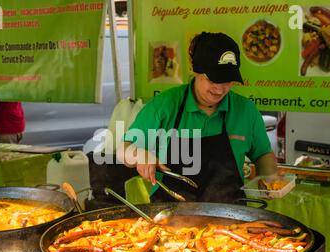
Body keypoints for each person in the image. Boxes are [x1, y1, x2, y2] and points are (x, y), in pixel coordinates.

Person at [117, 32, 277, 203]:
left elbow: (262, 153)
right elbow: (123, 150)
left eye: (228, 81)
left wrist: (270, 178)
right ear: (196, 71)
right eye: (213, 79)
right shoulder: (164, 106)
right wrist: (139, 154)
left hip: (230, 215)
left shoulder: (245, 110)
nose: (220, 89)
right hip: (171, 216)